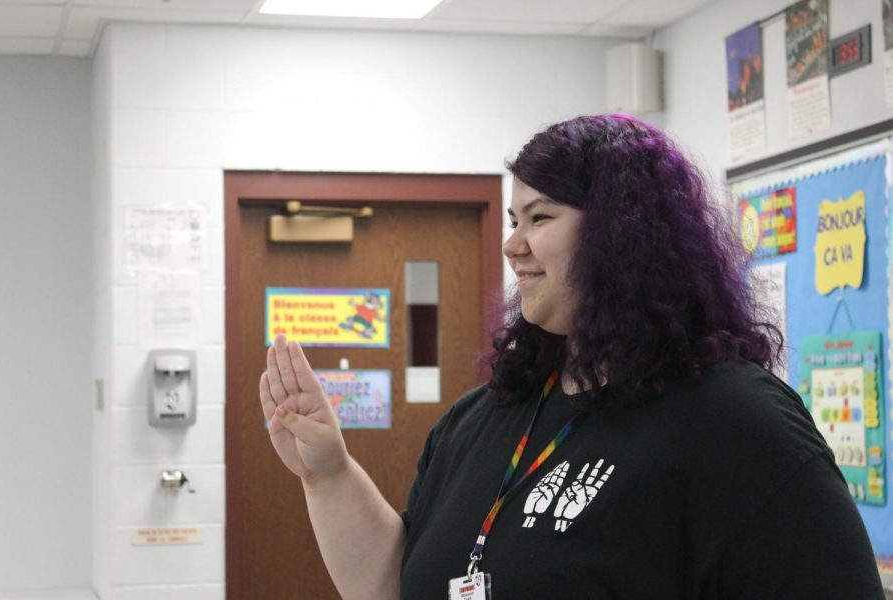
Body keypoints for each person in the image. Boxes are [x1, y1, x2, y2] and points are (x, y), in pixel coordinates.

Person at [259, 114, 884, 599]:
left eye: (540, 216)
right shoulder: (483, 418)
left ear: (622, 235)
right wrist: (329, 475)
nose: (511, 243)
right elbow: (394, 585)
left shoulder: (733, 421)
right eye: (512, 217)